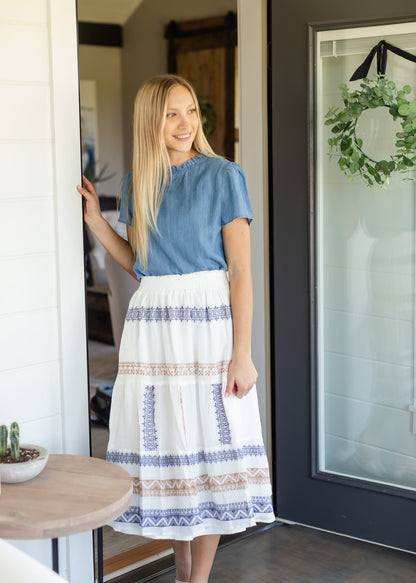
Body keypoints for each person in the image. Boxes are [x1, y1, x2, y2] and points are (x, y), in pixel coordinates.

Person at [77, 74, 275, 583]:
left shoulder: (224, 175)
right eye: (171, 114)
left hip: (209, 324)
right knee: (171, 449)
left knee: (209, 449)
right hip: (152, 324)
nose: (185, 123)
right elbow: (141, 265)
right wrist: (98, 222)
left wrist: (243, 353)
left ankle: (197, 579)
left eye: (190, 111)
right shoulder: (138, 183)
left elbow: (242, 273)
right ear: (151, 121)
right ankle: (183, 567)